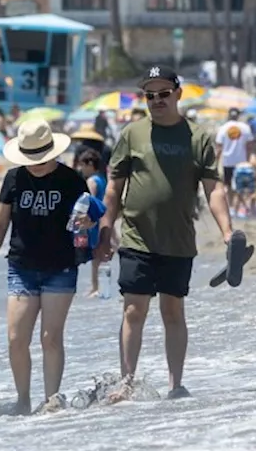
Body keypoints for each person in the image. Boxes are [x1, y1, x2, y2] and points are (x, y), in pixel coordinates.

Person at [98, 66, 234, 402]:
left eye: (163, 94)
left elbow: (213, 189)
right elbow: (114, 188)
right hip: (136, 236)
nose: (156, 101)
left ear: (177, 94)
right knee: (133, 310)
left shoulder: (197, 137)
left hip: (178, 239)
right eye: (150, 95)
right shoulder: (132, 134)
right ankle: (126, 383)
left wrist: (228, 232)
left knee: (173, 312)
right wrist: (104, 227)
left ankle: (176, 385)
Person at [0, 119, 91, 414]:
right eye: (30, 158)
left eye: (40, 157)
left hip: (60, 267)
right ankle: (23, 400)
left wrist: (90, 227)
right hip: (21, 267)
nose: (35, 164)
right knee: (16, 339)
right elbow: (0, 226)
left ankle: (52, 399)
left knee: (50, 337)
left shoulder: (71, 180)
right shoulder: (13, 179)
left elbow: (89, 219)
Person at [76, 149, 108, 297]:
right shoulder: (101, 178)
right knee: (98, 255)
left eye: (83, 165)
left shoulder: (92, 181)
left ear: (90, 164)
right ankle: (96, 285)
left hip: (93, 221)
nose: (81, 169)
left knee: (95, 255)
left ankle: (96, 287)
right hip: (102, 218)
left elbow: (90, 201)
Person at [215, 108, 254, 214]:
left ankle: (232, 207)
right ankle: (241, 207)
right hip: (242, 162)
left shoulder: (223, 128)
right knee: (242, 186)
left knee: (229, 185)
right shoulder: (245, 128)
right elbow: (250, 145)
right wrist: (249, 160)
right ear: (238, 115)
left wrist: (215, 162)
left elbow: (219, 147)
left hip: (227, 161)